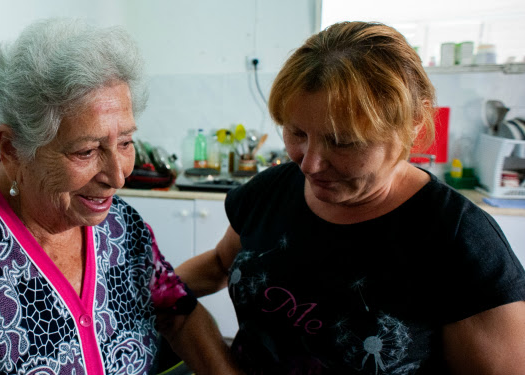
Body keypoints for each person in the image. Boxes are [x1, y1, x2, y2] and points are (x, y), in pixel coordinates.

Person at [0, 18, 239, 375]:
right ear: (13, 148)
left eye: (125, 142)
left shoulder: (121, 227)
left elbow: (178, 312)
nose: (119, 176)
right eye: (85, 152)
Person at [176, 21, 525, 374]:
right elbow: (221, 264)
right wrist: (147, 292)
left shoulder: (458, 240)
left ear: (413, 125)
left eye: (343, 141)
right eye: (296, 132)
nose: (310, 164)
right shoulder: (272, 190)